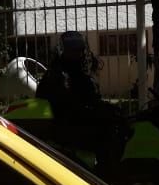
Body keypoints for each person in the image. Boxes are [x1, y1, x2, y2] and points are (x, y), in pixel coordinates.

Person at [36, 30, 122, 168]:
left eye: (79, 51)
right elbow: (68, 104)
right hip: (67, 127)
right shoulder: (58, 76)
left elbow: (91, 99)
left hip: (77, 123)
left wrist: (105, 109)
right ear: (63, 52)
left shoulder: (77, 74)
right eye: (73, 52)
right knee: (109, 138)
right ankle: (106, 177)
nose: (77, 55)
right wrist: (93, 110)